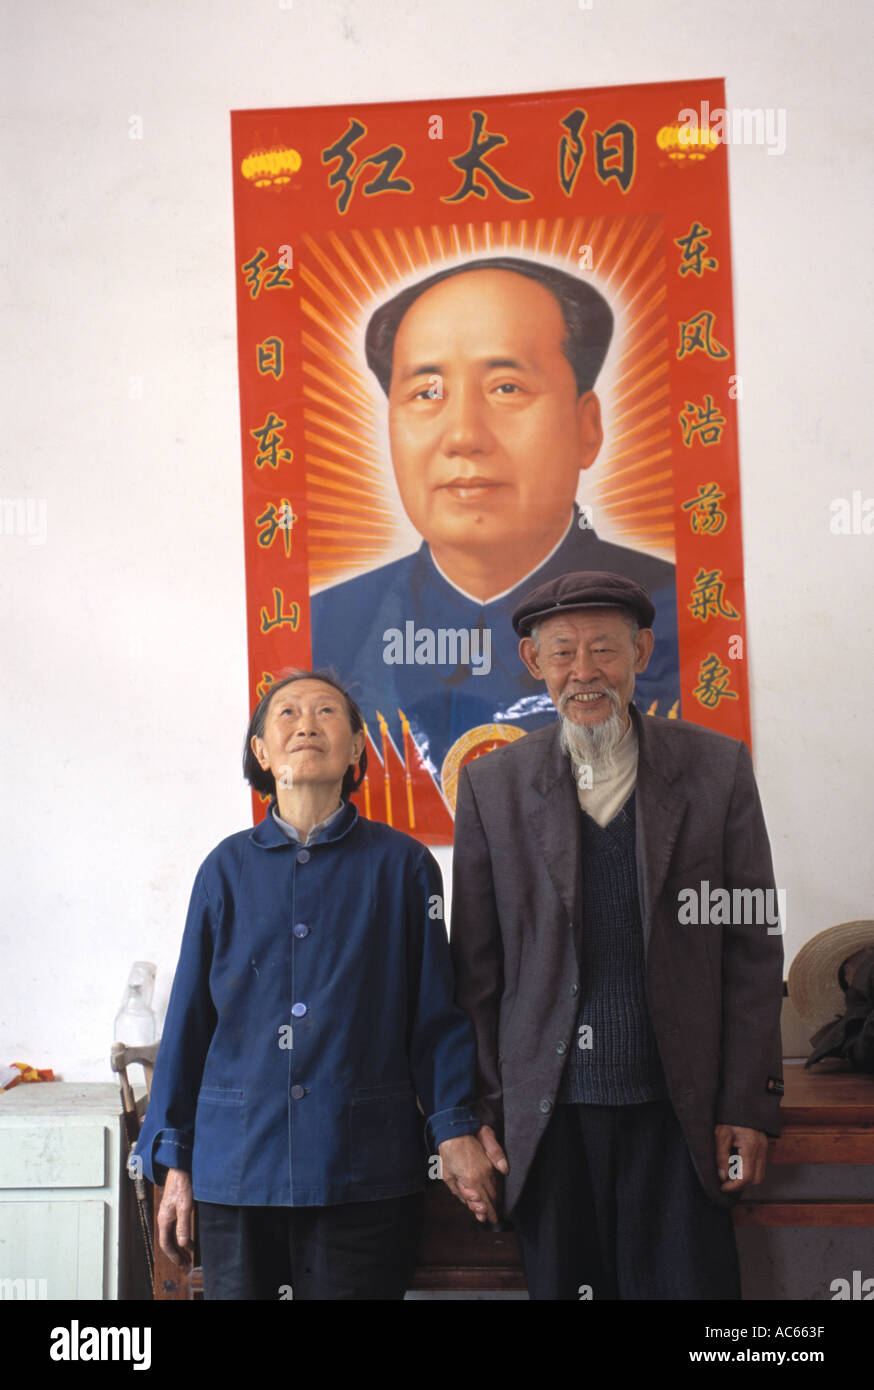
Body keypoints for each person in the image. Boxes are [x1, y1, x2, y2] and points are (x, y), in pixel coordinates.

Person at [449, 571, 784, 1300]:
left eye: (604, 649)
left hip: (680, 1113)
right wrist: (477, 1117)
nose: (584, 671)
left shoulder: (715, 770)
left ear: (642, 651)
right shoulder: (494, 788)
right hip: (550, 1119)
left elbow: (749, 951)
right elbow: (476, 974)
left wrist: (747, 1105)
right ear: (535, 666)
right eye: (562, 652)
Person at [133, 671, 498, 1300]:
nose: (306, 724)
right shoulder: (224, 870)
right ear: (262, 752)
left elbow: (435, 1018)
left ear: (358, 748)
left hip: (360, 1168)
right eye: (288, 714)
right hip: (239, 1169)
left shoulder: (404, 867)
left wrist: (454, 1126)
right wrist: (174, 1163)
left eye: (328, 712)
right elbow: (188, 1026)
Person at [311, 256, 679, 784]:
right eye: (426, 393)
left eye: (506, 388)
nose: (463, 435)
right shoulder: (333, 624)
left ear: (587, 427)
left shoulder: (670, 608)